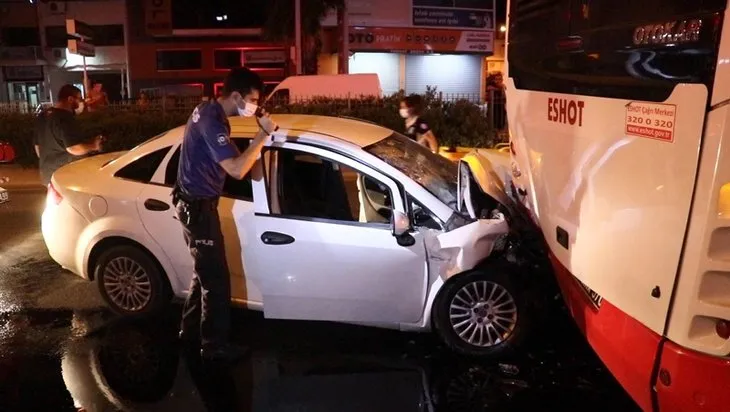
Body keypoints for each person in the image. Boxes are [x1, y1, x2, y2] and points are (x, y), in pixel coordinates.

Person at [173, 67, 277, 361]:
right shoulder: (212, 123)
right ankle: (214, 347)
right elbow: (236, 169)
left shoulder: (208, 110)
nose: (256, 105)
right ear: (235, 96)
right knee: (216, 281)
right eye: (253, 100)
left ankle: (190, 332)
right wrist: (263, 136)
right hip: (197, 208)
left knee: (203, 273)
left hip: (194, 204)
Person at [34, 84, 103, 187]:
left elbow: (38, 148)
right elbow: (74, 148)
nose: (81, 102)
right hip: (66, 175)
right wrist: (94, 146)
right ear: (70, 99)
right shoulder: (65, 118)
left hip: (48, 174)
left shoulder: (43, 116)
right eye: (79, 99)